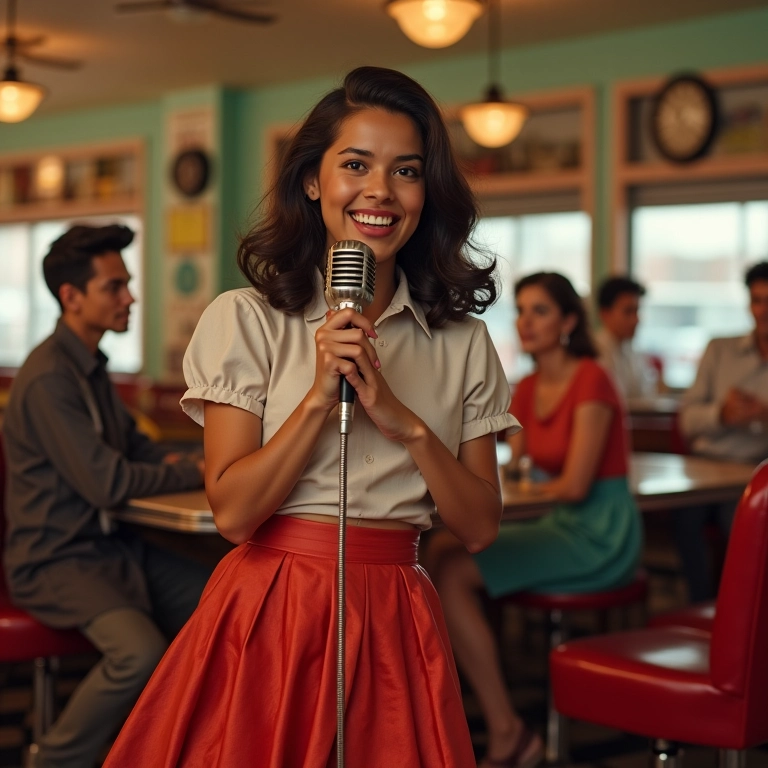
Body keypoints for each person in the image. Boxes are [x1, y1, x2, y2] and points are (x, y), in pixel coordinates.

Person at [102, 66, 518, 768]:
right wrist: (320, 396)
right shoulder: (246, 320)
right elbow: (234, 514)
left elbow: (478, 526)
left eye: (406, 170)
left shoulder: (463, 342)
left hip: (397, 614)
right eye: (356, 164)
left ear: (427, 191)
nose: (380, 190)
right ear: (313, 181)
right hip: (271, 608)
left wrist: (405, 423)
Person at [1, 224, 210, 768]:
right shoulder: (49, 377)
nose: (130, 297)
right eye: (114, 287)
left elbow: (137, 449)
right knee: (138, 655)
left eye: (128, 284)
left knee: (226, 601)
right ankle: (52, 759)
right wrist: (198, 472)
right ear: (71, 297)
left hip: (112, 548)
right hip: (57, 558)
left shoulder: (90, 367)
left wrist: (186, 464)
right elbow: (109, 483)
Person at [425, 272, 642, 768]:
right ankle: (456, 706)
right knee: (437, 550)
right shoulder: (524, 386)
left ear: (568, 321)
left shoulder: (592, 378)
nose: (525, 321)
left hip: (598, 530)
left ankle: (504, 727)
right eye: (521, 310)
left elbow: (574, 486)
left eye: (540, 311)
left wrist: (506, 481)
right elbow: (520, 467)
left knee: (453, 570)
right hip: (559, 521)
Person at [673, 261, 768, 602]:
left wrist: (763, 415)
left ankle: (739, 613)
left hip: (755, 471)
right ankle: (702, 609)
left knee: (741, 523)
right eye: (757, 300)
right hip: (705, 467)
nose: (763, 310)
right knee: (682, 519)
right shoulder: (719, 350)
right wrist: (722, 414)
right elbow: (687, 421)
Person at [594, 275, 658, 402]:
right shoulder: (594, 353)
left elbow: (648, 395)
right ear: (605, 314)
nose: (636, 320)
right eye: (628, 312)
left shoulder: (634, 352)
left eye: (637, 311)